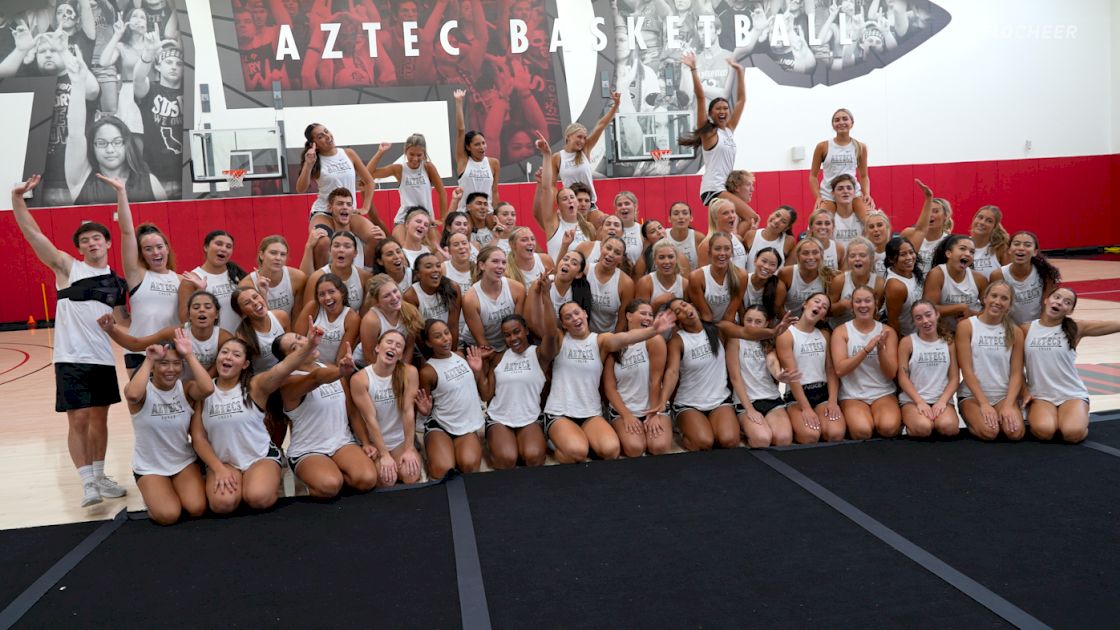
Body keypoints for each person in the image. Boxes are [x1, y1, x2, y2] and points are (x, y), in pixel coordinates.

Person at [12, 175, 130, 508]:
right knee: (78, 418)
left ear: (107, 243)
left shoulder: (117, 283)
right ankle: (87, 483)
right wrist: (18, 198)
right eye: (86, 241)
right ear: (79, 248)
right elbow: (33, 234)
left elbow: (124, 322)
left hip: (102, 359)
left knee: (100, 420)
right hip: (70, 357)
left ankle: (100, 474)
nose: (92, 244)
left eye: (97, 238)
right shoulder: (67, 267)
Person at [190, 325, 323, 514]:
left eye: (236, 355)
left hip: (259, 457)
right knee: (223, 504)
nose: (228, 357)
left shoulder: (255, 386)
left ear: (245, 364)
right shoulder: (205, 390)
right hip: (223, 461)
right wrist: (218, 469)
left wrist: (309, 345)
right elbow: (199, 439)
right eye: (224, 352)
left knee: (258, 498)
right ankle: (233, 482)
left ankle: (269, 475)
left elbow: (283, 368)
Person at [544, 302, 675, 463]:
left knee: (611, 450)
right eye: (568, 317)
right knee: (577, 452)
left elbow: (624, 338)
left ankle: (577, 440)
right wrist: (543, 294)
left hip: (591, 414)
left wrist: (654, 329)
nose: (575, 318)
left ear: (585, 314)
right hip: (560, 412)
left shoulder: (600, 340)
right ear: (563, 324)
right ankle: (559, 444)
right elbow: (547, 328)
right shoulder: (560, 339)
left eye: (577, 313)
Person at [124, 332, 214, 525]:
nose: (170, 369)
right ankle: (153, 497)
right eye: (164, 363)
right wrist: (149, 359)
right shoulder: (142, 390)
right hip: (150, 467)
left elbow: (207, 389)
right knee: (169, 515)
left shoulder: (186, 388)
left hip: (182, 462)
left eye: (176, 363)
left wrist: (189, 355)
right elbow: (132, 395)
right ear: (154, 366)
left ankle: (169, 490)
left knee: (197, 508)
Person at [273, 336, 377, 497]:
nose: (304, 343)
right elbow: (316, 378)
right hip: (308, 450)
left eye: (301, 338)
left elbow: (352, 412)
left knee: (367, 479)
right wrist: (340, 372)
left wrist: (365, 442)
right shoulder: (287, 382)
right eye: (295, 347)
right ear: (288, 360)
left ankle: (331, 473)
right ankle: (310, 480)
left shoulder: (330, 368)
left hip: (342, 443)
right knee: (330, 485)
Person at [1023, 288, 1120, 443]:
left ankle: (1075, 417)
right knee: (1044, 432)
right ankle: (1057, 417)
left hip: (1071, 394)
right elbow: (1015, 365)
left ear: (1070, 310)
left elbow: (1111, 325)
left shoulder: (1076, 328)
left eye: (1067, 302)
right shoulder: (1026, 329)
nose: (1060, 302)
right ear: (1046, 300)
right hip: (1040, 395)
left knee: (1072, 434)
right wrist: (1024, 389)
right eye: (1057, 297)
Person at [109, 176, 179, 373]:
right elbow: (127, 232)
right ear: (141, 253)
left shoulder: (181, 280)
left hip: (172, 353)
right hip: (139, 352)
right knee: (140, 402)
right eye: (148, 249)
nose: (156, 252)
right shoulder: (137, 276)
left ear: (167, 248)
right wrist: (121, 193)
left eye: (159, 247)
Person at [680, 52, 755, 227]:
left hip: (723, 189)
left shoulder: (728, 130)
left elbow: (741, 100)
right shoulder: (709, 134)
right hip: (713, 189)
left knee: (735, 223)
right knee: (751, 218)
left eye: (725, 108)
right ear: (711, 114)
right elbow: (699, 97)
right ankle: (735, 246)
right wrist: (693, 69)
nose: (722, 111)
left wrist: (740, 72)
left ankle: (731, 245)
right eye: (718, 109)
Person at [654, 298, 739, 450]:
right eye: (678, 312)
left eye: (684, 305)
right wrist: (663, 401)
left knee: (730, 441)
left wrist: (774, 331)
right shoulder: (677, 340)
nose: (685, 310)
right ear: (677, 320)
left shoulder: (717, 329)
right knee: (704, 442)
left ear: (692, 305)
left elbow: (747, 333)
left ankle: (710, 426)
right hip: (689, 403)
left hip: (719, 400)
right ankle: (685, 429)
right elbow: (672, 372)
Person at [482, 302, 558, 468]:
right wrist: (480, 367)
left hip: (529, 418)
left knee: (534, 457)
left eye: (517, 332)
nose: (513, 338)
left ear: (526, 330)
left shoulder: (539, 354)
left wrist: (545, 295)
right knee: (507, 459)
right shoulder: (498, 357)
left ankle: (522, 441)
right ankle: (499, 443)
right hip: (499, 417)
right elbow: (486, 395)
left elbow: (552, 334)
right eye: (507, 335)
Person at [100, 290, 234, 381]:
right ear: (189, 314)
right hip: (180, 390)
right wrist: (111, 330)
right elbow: (136, 344)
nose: (202, 310)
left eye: (207, 306)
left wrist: (199, 387)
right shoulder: (176, 332)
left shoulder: (224, 338)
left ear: (216, 314)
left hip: (208, 388)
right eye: (196, 307)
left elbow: (217, 375)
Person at [297, 124, 383, 263]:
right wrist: (308, 164)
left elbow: (369, 182)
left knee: (376, 237)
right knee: (322, 242)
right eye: (320, 136)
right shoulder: (315, 160)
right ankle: (322, 278)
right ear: (315, 144)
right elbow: (301, 188)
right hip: (324, 212)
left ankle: (365, 273)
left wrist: (365, 207)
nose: (327, 136)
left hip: (348, 211)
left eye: (326, 131)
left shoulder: (348, 153)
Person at [350, 330, 423, 486]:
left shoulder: (410, 372)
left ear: (401, 355)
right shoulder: (360, 379)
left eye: (398, 346)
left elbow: (408, 412)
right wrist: (384, 454)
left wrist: (409, 448)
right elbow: (370, 419)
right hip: (375, 442)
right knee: (387, 480)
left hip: (399, 440)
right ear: (377, 347)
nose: (393, 347)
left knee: (411, 475)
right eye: (389, 342)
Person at [956, 281, 1025, 441]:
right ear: (985, 298)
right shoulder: (967, 326)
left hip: (1002, 395)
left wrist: (1009, 404)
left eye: (1004, 298)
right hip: (973, 396)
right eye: (994, 296)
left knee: (1015, 433)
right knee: (990, 432)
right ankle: (972, 415)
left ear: (1009, 305)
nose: (997, 302)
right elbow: (966, 370)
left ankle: (1002, 413)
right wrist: (984, 404)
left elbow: (1016, 373)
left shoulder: (1016, 332)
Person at [418, 323, 488, 479]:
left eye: (446, 333)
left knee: (468, 465)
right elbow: (425, 406)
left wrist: (478, 371)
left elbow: (483, 394)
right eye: (438, 336)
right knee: (443, 470)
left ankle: (459, 446)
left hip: (466, 425)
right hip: (441, 425)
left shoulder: (462, 356)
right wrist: (425, 411)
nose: (445, 339)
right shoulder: (427, 371)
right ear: (429, 343)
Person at [604, 300, 672, 457]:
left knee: (659, 447)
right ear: (628, 316)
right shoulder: (615, 344)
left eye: (651, 315)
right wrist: (626, 415)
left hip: (652, 407)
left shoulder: (654, 339)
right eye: (643, 313)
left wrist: (653, 414)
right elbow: (610, 388)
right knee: (635, 449)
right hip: (625, 409)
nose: (648, 318)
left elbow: (655, 381)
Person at [831, 285, 900, 439]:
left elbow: (891, 373)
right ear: (852, 305)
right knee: (862, 431)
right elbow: (840, 369)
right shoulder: (841, 331)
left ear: (875, 304)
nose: (863, 305)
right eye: (858, 301)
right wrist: (866, 349)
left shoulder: (888, 331)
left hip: (882, 392)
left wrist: (881, 348)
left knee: (888, 428)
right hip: (853, 394)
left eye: (867, 301)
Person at [776, 293, 846, 444]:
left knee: (835, 433)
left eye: (824, 307)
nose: (819, 306)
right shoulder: (787, 335)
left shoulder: (825, 334)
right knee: (810, 436)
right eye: (816, 302)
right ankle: (793, 422)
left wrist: (833, 401)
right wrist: (806, 408)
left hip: (821, 392)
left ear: (823, 317)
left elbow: (830, 369)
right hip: (797, 396)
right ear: (805, 304)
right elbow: (792, 374)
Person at [727, 305, 799, 448]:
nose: (753, 325)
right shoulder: (735, 340)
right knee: (762, 439)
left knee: (783, 439)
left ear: (766, 324)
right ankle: (745, 428)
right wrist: (750, 409)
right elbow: (735, 377)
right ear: (743, 321)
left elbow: (772, 361)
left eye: (758, 322)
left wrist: (779, 376)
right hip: (747, 401)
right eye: (749, 320)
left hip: (770, 398)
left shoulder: (768, 340)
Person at [897, 300, 961, 439]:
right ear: (914, 321)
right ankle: (913, 423)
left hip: (940, 399)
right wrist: (919, 402)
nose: (925, 321)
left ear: (937, 314)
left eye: (928, 315)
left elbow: (955, 378)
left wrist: (943, 402)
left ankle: (936, 420)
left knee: (949, 428)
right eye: (919, 318)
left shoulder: (949, 342)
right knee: (923, 428)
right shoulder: (907, 342)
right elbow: (903, 377)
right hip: (913, 400)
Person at [132, 37, 184, 197]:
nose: (174, 67)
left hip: (183, 175)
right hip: (154, 176)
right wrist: (148, 53)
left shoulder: (189, 92)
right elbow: (138, 79)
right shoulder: (151, 90)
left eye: (179, 63)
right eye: (168, 62)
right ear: (158, 66)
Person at [551, 93, 620, 208]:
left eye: (584, 138)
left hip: (589, 204)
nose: (582, 141)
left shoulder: (585, 149)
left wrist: (616, 106)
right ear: (568, 136)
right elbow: (551, 186)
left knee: (602, 222)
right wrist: (558, 203)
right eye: (579, 137)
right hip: (570, 206)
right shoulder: (557, 157)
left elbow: (601, 125)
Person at [367, 134, 447, 230]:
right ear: (406, 152)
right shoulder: (399, 169)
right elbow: (368, 173)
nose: (415, 159)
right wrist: (380, 152)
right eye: (411, 154)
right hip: (404, 220)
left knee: (435, 245)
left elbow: (442, 192)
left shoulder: (428, 167)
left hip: (425, 220)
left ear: (424, 154)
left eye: (419, 155)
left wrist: (442, 218)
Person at [178, 230, 246, 333]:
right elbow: (184, 320)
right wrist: (200, 292)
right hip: (212, 343)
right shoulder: (192, 279)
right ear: (206, 247)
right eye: (219, 244)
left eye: (228, 246)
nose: (223, 249)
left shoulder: (238, 275)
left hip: (239, 343)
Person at [810, 109, 872, 218]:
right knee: (819, 223)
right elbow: (813, 176)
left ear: (852, 123)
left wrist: (866, 194)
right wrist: (818, 197)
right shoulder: (822, 146)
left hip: (853, 193)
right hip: (828, 194)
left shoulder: (860, 147)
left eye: (845, 119)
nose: (841, 122)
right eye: (837, 120)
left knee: (870, 220)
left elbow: (864, 176)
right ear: (833, 125)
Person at [989, 231, 1060, 325]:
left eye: (1027, 245)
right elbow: (996, 307)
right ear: (1009, 250)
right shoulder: (998, 275)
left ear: (1035, 252)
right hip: (1009, 328)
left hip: (1037, 326)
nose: (1021, 248)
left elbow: (1046, 307)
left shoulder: (1045, 274)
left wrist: (1040, 329)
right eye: (1016, 244)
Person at [461, 246, 526, 351]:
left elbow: (517, 328)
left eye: (504, 262)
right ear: (482, 265)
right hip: (478, 346)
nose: (500, 266)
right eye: (495, 261)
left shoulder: (517, 289)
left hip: (510, 343)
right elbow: (482, 342)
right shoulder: (470, 299)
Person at [358, 273, 424, 367]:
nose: (394, 297)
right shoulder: (371, 321)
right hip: (372, 364)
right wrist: (387, 375)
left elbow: (409, 347)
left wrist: (401, 371)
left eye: (395, 291)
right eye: (386, 296)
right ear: (377, 302)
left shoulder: (409, 311)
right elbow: (369, 357)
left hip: (397, 361)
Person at [924, 235, 988, 332]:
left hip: (972, 331)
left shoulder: (979, 278)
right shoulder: (937, 274)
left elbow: (990, 309)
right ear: (948, 253)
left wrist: (971, 313)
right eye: (962, 249)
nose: (968, 254)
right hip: (944, 333)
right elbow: (928, 310)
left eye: (972, 252)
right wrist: (960, 307)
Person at [294, 273, 360, 366]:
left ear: (342, 292)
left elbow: (340, 360)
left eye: (331, 292)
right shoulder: (313, 307)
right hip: (307, 364)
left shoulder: (352, 318)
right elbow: (297, 344)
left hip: (331, 368)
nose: (327, 297)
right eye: (322, 294)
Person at [452, 88, 500, 209]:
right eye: (477, 144)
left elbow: (494, 192)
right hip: (465, 216)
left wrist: (497, 215)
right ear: (468, 147)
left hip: (486, 216)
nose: (482, 147)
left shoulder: (493, 163)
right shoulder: (463, 161)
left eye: (483, 143)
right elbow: (461, 130)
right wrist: (458, 103)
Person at [302, 231, 371, 316]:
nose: (341, 250)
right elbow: (307, 316)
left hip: (351, 326)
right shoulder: (316, 278)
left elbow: (364, 315)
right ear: (330, 251)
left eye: (347, 246)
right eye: (336, 246)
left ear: (355, 253)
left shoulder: (364, 277)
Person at [240, 235, 307, 319]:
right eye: (273, 253)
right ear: (261, 255)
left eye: (282, 254)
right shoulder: (246, 285)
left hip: (289, 329)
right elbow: (251, 322)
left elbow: (297, 316)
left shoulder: (298, 278)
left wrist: (290, 332)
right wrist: (262, 294)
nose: (278, 258)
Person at [404, 253, 463, 348]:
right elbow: (417, 335)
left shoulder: (453, 288)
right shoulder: (410, 296)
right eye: (428, 267)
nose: (435, 269)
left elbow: (453, 326)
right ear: (418, 274)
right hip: (425, 346)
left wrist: (452, 354)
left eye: (438, 266)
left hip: (449, 341)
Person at [690, 232, 746, 323]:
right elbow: (706, 316)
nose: (722, 253)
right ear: (709, 253)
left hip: (728, 324)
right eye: (717, 249)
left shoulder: (741, 276)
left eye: (727, 249)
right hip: (706, 324)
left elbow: (730, 315)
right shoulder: (696, 277)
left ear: (732, 253)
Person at [829, 236, 885, 330]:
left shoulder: (879, 283)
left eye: (862, 255)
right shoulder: (839, 280)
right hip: (838, 329)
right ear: (847, 260)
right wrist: (842, 305)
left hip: (865, 330)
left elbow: (876, 315)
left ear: (871, 258)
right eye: (852, 256)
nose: (857, 259)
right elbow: (827, 312)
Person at [899, 179, 951, 274]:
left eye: (935, 211)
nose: (930, 215)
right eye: (928, 211)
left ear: (945, 216)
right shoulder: (908, 234)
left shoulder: (949, 242)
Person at [587, 237, 634, 333]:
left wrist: (614, 343)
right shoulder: (585, 270)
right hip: (584, 335)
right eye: (608, 248)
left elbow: (623, 320)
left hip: (609, 337)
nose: (611, 254)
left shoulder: (626, 283)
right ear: (601, 248)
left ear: (621, 259)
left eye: (617, 253)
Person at [780, 237, 835, 315]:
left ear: (821, 255)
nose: (811, 257)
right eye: (805, 253)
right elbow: (778, 306)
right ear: (798, 256)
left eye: (815, 253)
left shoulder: (829, 276)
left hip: (814, 323)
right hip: (787, 322)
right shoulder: (786, 273)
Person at [882, 237, 924, 337]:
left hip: (921, 334)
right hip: (907, 337)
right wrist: (901, 344)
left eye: (911, 252)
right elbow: (893, 321)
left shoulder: (912, 271)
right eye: (902, 254)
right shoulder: (896, 286)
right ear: (891, 259)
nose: (909, 257)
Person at [636, 239, 690, 310]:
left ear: (676, 259)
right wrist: (657, 303)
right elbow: (640, 316)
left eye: (670, 257)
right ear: (655, 260)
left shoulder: (685, 284)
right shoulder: (645, 283)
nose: (667, 261)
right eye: (661, 257)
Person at [697, 199, 750, 270]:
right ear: (715, 218)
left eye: (733, 212)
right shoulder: (706, 245)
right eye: (725, 213)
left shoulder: (738, 239)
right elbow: (703, 276)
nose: (731, 216)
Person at [743, 206, 795, 273]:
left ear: (786, 228)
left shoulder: (788, 241)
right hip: (750, 282)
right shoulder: (751, 235)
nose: (777, 221)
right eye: (777, 215)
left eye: (783, 221)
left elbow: (787, 271)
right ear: (771, 214)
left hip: (774, 283)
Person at [743, 247, 786, 323]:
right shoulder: (743, 280)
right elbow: (740, 311)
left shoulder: (779, 288)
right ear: (755, 260)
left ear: (776, 269)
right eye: (764, 261)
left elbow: (772, 316)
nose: (766, 267)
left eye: (772, 265)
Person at [967, 205, 1010, 280]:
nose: (982, 222)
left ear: (994, 226)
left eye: (989, 221)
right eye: (980, 217)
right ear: (974, 219)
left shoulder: (1000, 248)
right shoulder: (960, 244)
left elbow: (1010, 278)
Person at [824, 174, 865, 248]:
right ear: (833, 193)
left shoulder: (864, 218)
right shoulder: (826, 220)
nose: (845, 191)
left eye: (849, 188)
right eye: (840, 189)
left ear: (854, 192)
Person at [665, 201, 704, 271]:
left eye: (685, 213)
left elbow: (703, 269)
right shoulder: (663, 236)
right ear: (669, 219)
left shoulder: (699, 238)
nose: (681, 217)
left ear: (691, 218)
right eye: (676, 214)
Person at [612, 191, 645, 266]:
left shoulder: (642, 230)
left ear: (635, 207)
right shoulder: (610, 230)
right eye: (619, 205)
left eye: (627, 203)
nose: (623, 207)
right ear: (616, 210)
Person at [442, 231, 476, 298]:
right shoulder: (443, 269)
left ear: (470, 247)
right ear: (449, 251)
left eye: (464, 243)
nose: (461, 247)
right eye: (456, 245)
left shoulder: (478, 267)